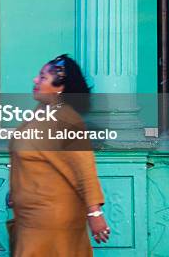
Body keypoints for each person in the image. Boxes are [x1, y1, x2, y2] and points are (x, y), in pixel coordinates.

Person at [8, 54, 110, 256]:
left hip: (51, 218)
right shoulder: (42, 112)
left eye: (43, 77)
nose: (35, 81)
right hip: (32, 216)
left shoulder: (67, 120)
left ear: (59, 88)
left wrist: (95, 212)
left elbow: (85, 168)